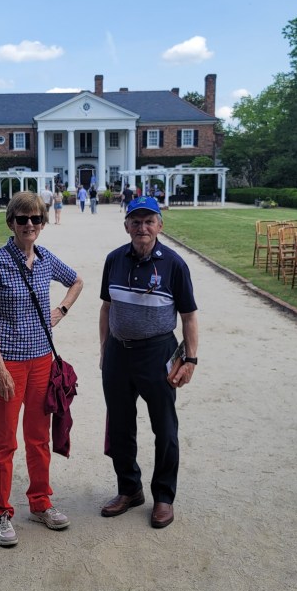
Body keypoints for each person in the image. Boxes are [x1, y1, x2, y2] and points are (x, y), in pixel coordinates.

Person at [0, 191, 84, 547]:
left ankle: (40, 502)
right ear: (11, 222)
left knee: (38, 438)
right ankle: (0, 512)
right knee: (4, 441)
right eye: (22, 218)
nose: (29, 224)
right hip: (8, 363)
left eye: (36, 218)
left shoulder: (46, 259)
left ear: (43, 222)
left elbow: (77, 281)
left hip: (41, 363)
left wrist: (61, 311)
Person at [98, 195, 198, 529]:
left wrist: (190, 360)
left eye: (149, 221)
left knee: (165, 428)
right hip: (118, 353)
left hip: (157, 353)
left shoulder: (174, 264)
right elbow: (106, 307)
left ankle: (164, 497)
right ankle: (129, 489)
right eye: (136, 221)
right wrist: (104, 350)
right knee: (120, 425)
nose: (142, 227)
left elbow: (189, 316)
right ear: (126, 226)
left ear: (160, 225)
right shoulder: (114, 260)